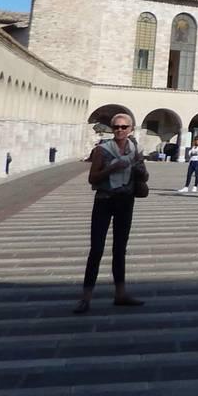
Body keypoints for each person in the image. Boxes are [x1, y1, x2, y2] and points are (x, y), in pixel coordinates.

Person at [74, 113, 147, 314]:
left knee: (120, 249)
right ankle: (86, 298)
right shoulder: (101, 151)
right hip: (104, 201)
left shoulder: (135, 150)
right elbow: (92, 178)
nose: (120, 130)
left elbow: (145, 175)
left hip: (125, 200)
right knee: (96, 249)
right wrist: (112, 169)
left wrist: (138, 168)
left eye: (124, 127)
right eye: (116, 127)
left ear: (131, 128)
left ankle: (120, 294)